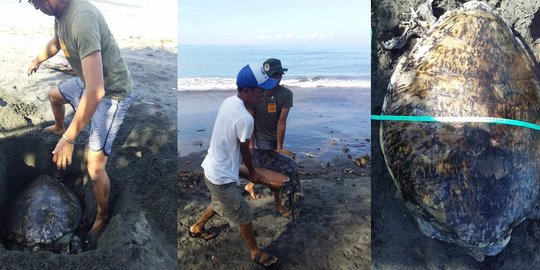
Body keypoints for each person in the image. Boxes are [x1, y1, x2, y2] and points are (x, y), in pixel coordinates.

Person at [24, 0, 133, 248]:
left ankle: (102, 216)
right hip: (89, 81)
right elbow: (56, 42)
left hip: (112, 94)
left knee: (95, 168)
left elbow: (96, 92)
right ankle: (59, 126)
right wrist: (37, 60)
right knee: (54, 96)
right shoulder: (60, 13)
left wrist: (70, 140)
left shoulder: (81, 18)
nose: (35, 7)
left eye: (36, 1)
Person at [189, 64, 280, 268]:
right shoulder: (246, 119)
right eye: (260, 91)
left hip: (212, 167)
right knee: (244, 214)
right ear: (246, 91)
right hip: (221, 176)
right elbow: (245, 150)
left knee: (219, 203)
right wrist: (253, 173)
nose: (264, 95)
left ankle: (196, 227)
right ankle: (255, 252)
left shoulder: (229, 101)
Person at [245, 58, 301, 217]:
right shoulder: (257, 94)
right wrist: (250, 143)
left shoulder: (286, 94)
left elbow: (281, 122)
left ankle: (250, 186)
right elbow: (251, 120)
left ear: (281, 76)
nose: (275, 79)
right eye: (270, 76)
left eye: (278, 76)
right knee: (270, 171)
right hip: (258, 136)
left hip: (273, 139)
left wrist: (279, 147)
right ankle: (278, 205)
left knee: (271, 168)